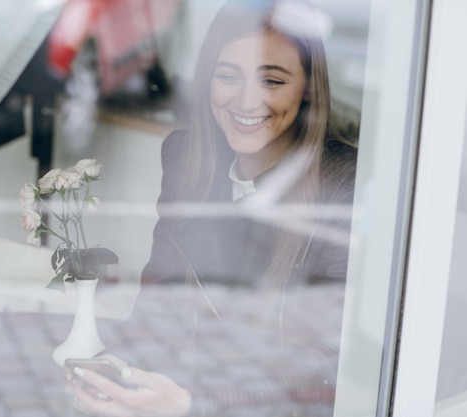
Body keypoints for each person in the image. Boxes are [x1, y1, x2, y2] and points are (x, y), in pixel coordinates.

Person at [66, 0, 358, 415]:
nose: (246, 100)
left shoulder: (344, 184)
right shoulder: (185, 156)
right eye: (228, 76)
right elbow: (160, 299)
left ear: (308, 87)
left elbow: (323, 366)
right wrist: (124, 368)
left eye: (272, 80)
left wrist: (194, 403)